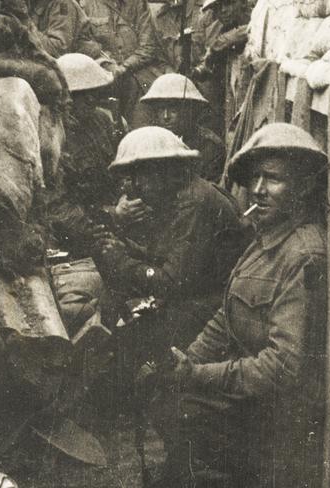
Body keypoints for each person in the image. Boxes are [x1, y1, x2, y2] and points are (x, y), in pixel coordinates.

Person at [149, 123, 328, 487]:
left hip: (277, 417)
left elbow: (283, 367)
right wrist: (189, 360)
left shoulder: (303, 254)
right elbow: (228, 314)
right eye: (255, 178)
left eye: (273, 179)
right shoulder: (268, 237)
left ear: (305, 187)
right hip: (250, 398)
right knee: (162, 394)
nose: (258, 190)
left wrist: (199, 376)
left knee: (183, 412)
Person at [90, 126, 245, 365]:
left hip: (215, 311)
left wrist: (122, 261)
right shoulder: (182, 195)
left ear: (164, 170)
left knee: (126, 347)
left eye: (140, 176)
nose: (136, 185)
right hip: (198, 299)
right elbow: (169, 258)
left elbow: (171, 282)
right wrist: (124, 249)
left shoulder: (195, 203)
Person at [42, 53, 121, 332]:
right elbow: (55, 205)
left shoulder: (102, 122)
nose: (89, 103)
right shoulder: (51, 134)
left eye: (93, 95)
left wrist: (120, 206)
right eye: (80, 97)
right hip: (71, 235)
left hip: (108, 220)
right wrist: (105, 219)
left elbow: (117, 174)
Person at [79, 0, 166, 125]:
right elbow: (84, 43)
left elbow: (148, 46)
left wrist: (124, 67)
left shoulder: (138, 4)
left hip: (137, 77)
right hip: (103, 77)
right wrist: (105, 62)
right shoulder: (86, 4)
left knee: (142, 124)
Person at [140, 73, 226, 182]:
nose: (166, 116)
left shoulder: (208, 146)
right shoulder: (150, 143)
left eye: (173, 110)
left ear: (189, 110)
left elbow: (209, 190)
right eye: (161, 110)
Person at [191, 0, 251, 139]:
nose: (223, 11)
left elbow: (255, 29)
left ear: (242, 3)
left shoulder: (258, 19)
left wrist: (227, 39)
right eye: (217, 8)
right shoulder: (223, 30)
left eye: (228, 4)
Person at [29, 0, 102, 58]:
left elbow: (60, 48)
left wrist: (28, 32)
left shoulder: (62, 3)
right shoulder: (35, 4)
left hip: (81, 63)